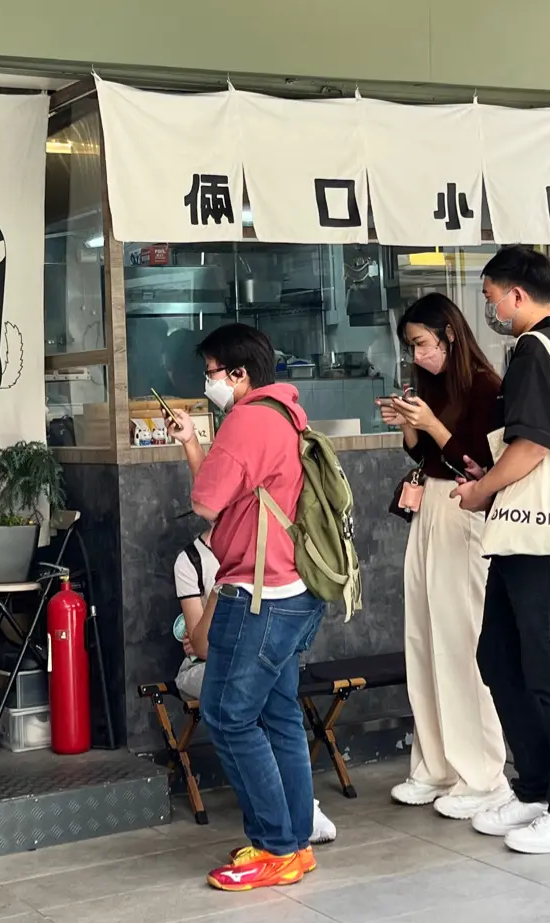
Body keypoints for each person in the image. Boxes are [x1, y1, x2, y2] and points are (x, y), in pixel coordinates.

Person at [452, 246, 550, 855]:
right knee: (502, 658)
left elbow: (535, 445)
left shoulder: (539, 349)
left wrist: (483, 488)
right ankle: (536, 788)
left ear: (516, 294)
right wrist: (490, 477)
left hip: (543, 540)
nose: (490, 309)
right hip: (524, 536)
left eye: (491, 298)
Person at [167, 324, 326, 892]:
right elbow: (231, 501)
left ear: (238, 374)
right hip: (293, 589)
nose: (207, 382)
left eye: (211, 372)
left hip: (258, 592)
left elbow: (206, 502)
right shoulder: (286, 412)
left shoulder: (247, 419)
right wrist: (196, 447)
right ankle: (295, 842)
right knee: (279, 715)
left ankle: (276, 847)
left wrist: (201, 454)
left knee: (228, 715)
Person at [376, 294, 509, 820]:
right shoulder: (432, 383)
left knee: (461, 641)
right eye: (411, 346)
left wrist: (431, 424)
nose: (417, 354)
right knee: (424, 637)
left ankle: (482, 774)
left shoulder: (486, 386)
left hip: (464, 508)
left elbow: (476, 461)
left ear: (449, 335)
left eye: (422, 343)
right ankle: (435, 766)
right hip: (429, 507)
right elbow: (426, 455)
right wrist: (410, 425)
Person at [172, 529, 337, 843]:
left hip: (260, 655)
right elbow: (202, 647)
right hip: (204, 668)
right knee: (254, 702)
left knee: (276, 707)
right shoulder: (191, 560)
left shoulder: (266, 543)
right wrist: (223, 588)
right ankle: (291, 824)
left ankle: (291, 826)